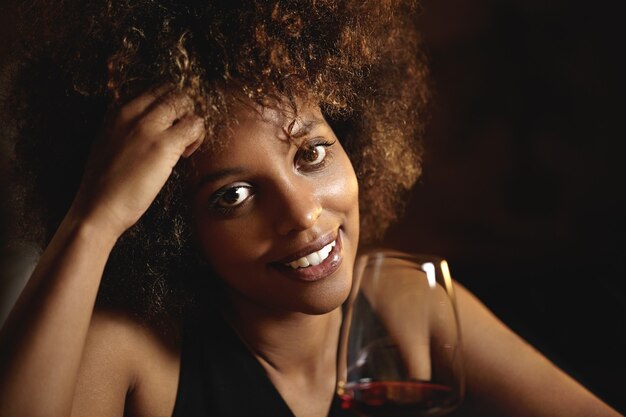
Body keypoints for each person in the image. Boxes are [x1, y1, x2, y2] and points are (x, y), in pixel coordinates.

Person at [0, 1, 621, 416]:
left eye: (311, 154)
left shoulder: (407, 300)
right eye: (233, 196)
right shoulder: (138, 352)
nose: (300, 214)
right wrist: (94, 218)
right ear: (173, 230)